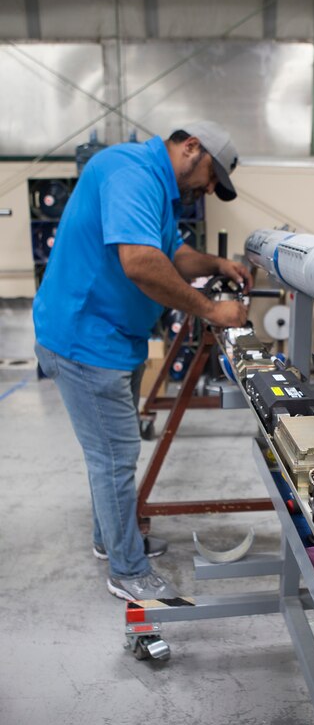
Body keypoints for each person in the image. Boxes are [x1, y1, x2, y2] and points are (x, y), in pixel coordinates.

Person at [33, 120, 252, 601]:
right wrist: (213, 310)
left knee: (111, 454)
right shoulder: (129, 172)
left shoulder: (158, 187)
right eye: (213, 177)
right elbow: (140, 262)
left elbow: (172, 254)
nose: (210, 190)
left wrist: (217, 265)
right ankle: (127, 569)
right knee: (115, 457)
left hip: (115, 339)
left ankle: (110, 539)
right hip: (85, 340)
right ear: (191, 148)